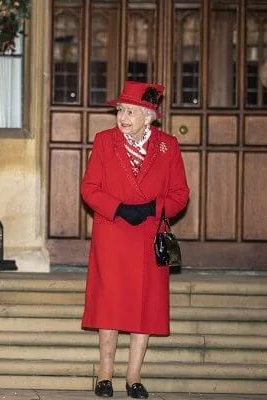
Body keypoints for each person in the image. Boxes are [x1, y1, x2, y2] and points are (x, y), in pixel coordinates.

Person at [80, 81, 189, 399]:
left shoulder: (168, 146)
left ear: (149, 115)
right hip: (112, 232)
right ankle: (104, 374)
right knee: (110, 304)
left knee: (145, 307)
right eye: (120, 110)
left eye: (129, 111)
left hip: (148, 234)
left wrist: (153, 208)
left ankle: (134, 377)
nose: (122, 117)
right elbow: (89, 188)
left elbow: (181, 194)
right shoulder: (104, 141)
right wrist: (119, 208)